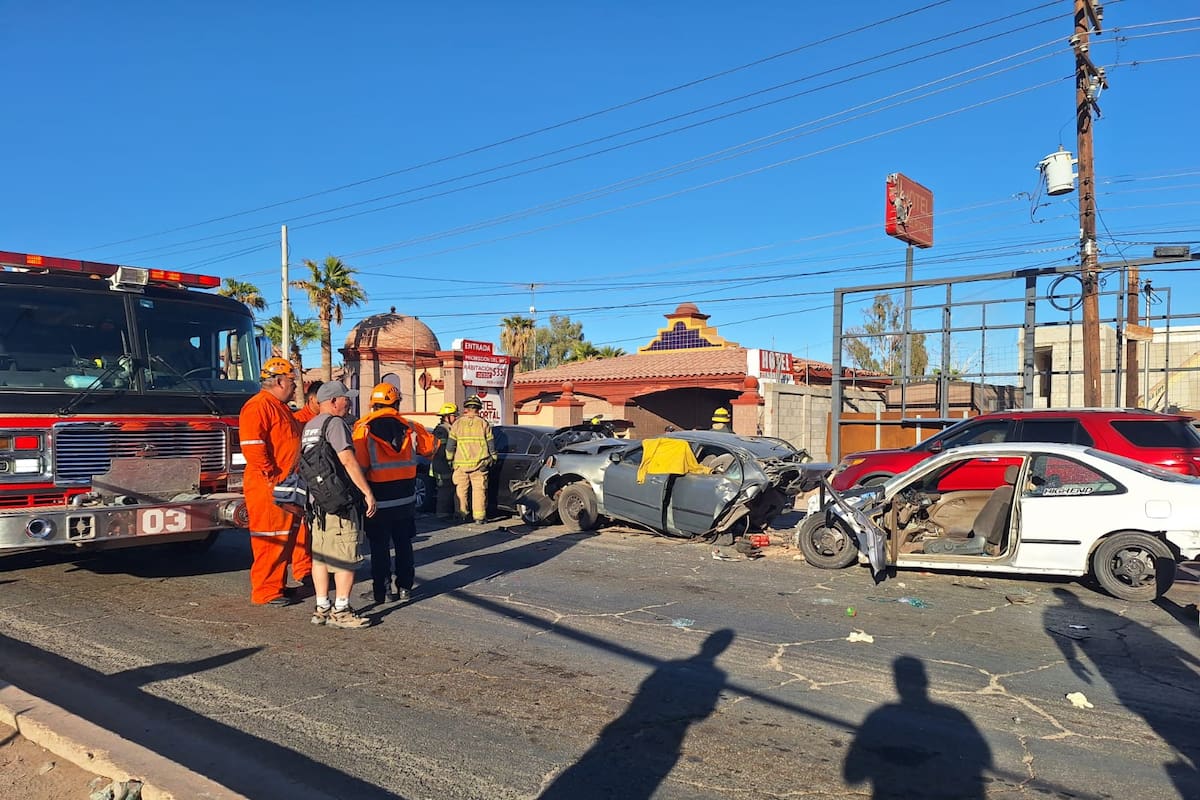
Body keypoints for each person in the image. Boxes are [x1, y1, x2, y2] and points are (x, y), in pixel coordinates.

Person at [300, 381, 377, 629]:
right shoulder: (334, 424)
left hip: (317, 504)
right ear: (333, 401)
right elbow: (347, 460)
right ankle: (341, 610)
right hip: (339, 503)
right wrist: (367, 492)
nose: (349, 402)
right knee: (346, 556)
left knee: (321, 557)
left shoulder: (310, 426)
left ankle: (321, 607)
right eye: (346, 398)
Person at [352, 382, 436, 604]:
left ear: (373, 405)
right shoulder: (411, 426)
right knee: (403, 544)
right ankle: (406, 587)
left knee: (379, 547)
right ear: (397, 403)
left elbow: (359, 467)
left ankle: (382, 591)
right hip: (406, 499)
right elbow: (430, 450)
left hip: (378, 499)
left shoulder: (363, 428)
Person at [238, 357, 303, 606]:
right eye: (291, 382)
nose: (295, 387)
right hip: (268, 486)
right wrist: (272, 478)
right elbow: (253, 447)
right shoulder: (258, 406)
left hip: (283, 485)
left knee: (284, 538)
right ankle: (265, 591)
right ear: (278, 381)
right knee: (270, 538)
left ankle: (277, 585)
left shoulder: (280, 406)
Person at [286, 379, 322, 589]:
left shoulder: (326, 420)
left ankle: (317, 566)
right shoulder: (298, 421)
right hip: (303, 480)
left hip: (320, 481)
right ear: (312, 399)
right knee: (303, 529)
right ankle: (303, 569)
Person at [446, 395, 496, 525]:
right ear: (479, 409)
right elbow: (491, 443)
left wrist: (449, 459)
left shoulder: (457, 424)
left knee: (460, 491)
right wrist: (493, 457)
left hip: (460, 465)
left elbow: (450, 445)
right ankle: (479, 517)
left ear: (466, 408)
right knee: (479, 491)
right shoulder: (483, 423)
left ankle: (461, 515)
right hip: (480, 464)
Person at [430, 402, 459, 520]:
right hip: (441, 465)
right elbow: (441, 449)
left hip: (447, 464)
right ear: (446, 416)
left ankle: (447, 513)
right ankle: (442, 514)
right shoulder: (441, 430)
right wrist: (451, 457)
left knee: (449, 488)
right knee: (444, 490)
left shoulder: (449, 428)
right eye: (453, 415)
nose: (456, 417)